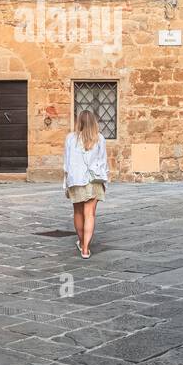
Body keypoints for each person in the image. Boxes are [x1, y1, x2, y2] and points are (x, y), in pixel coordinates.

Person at [63, 109, 108, 258]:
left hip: (75, 180)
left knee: (78, 212)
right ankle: (85, 249)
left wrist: (66, 182)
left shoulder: (71, 138)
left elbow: (67, 164)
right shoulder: (100, 138)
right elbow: (103, 162)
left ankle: (81, 242)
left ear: (79, 122)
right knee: (90, 214)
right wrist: (105, 181)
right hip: (94, 180)